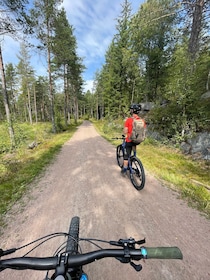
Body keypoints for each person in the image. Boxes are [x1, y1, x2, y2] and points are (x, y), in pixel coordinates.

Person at [121, 103, 146, 175]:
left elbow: (125, 131)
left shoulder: (129, 120)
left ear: (132, 111)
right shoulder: (142, 121)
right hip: (138, 140)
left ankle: (125, 169)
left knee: (126, 155)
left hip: (129, 140)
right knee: (134, 145)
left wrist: (125, 134)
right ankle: (134, 158)